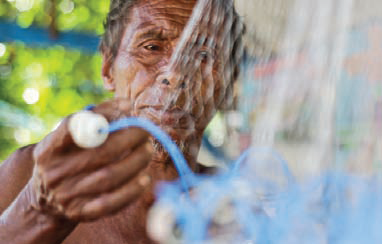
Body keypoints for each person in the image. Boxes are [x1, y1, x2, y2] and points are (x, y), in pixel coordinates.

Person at [0, 0, 244, 243]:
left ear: (227, 84)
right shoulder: (27, 177)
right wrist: (36, 214)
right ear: (107, 68)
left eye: (203, 55)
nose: (176, 73)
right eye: (151, 47)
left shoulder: (238, 208)